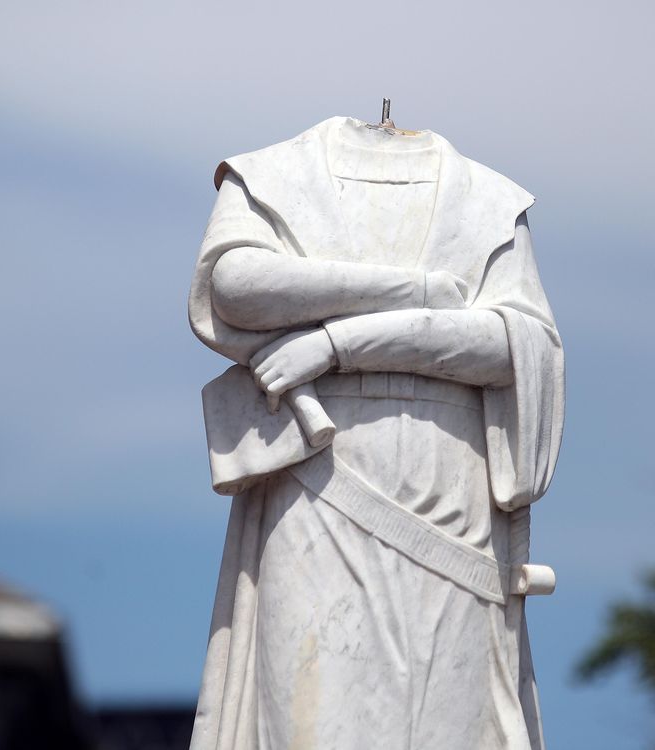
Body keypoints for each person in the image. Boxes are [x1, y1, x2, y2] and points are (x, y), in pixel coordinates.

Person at [187, 116, 565, 750]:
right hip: (314, 488)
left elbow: (514, 345)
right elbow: (234, 288)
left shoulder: (489, 201)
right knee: (310, 721)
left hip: (451, 494)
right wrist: (412, 291)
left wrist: (337, 343)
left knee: (451, 725)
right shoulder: (277, 175)